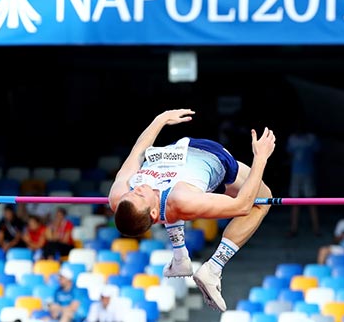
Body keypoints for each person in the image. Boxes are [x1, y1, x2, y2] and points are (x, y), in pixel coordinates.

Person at [108, 109, 276, 312]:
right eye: (140, 195)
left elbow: (139, 150)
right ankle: (213, 268)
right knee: (261, 202)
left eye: (133, 192)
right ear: (152, 214)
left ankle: (180, 257)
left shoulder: (119, 195)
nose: (139, 188)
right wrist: (261, 158)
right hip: (211, 156)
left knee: (170, 205)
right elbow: (242, 205)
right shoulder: (183, 199)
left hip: (175, 154)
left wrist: (159, 120)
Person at [286, 123, 321, 237]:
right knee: (294, 202)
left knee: (311, 202)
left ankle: (316, 229)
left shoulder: (311, 138)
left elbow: (317, 153)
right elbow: (290, 155)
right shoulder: (292, 139)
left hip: (308, 173)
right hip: (296, 173)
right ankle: (293, 228)